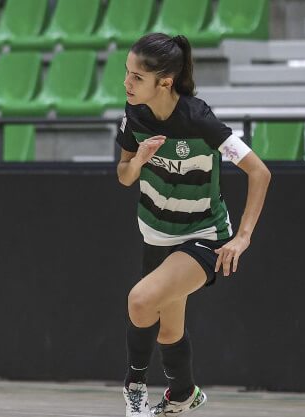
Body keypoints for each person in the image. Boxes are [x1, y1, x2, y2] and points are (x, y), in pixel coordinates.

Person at [116, 33, 271, 417]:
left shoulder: (200, 120)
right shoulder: (133, 115)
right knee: (169, 329)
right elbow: (124, 174)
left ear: (164, 82)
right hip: (155, 233)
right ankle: (183, 394)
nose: (127, 83)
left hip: (203, 237)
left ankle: (134, 386)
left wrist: (243, 237)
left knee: (140, 300)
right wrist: (140, 160)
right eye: (127, 73)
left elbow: (259, 172)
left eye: (137, 76)